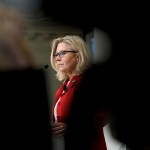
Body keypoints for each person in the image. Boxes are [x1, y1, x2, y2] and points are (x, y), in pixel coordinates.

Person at [50, 35, 108, 150]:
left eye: (62, 53)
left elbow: (103, 116)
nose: (57, 58)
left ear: (78, 56)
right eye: (56, 54)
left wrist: (71, 128)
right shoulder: (63, 87)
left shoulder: (88, 82)